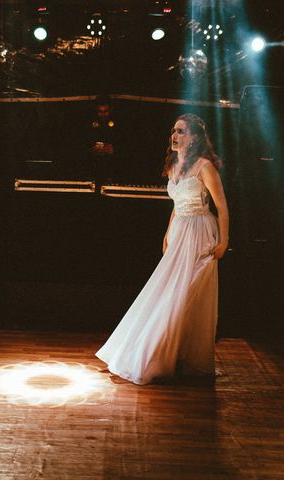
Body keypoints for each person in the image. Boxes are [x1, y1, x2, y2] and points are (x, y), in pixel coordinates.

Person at [96, 113, 229, 384]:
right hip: (180, 229)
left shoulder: (205, 167)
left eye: (181, 131)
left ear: (193, 137)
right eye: (174, 131)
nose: (175, 135)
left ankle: (174, 355)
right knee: (165, 291)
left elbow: (222, 207)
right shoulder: (174, 166)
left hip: (199, 231)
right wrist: (168, 232)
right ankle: (150, 351)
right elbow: (176, 203)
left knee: (186, 295)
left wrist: (224, 241)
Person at [88, 95, 122, 184]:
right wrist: (90, 149)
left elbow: (129, 144)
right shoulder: (89, 124)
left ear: (110, 110)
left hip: (113, 170)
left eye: (105, 111)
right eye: (100, 111)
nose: (103, 114)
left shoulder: (119, 124)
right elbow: (81, 143)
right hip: (93, 170)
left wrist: (115, 149)